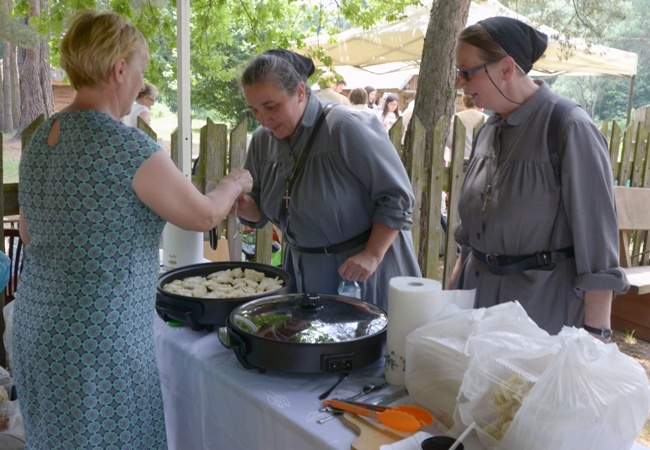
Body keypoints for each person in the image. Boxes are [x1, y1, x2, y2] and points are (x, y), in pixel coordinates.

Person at [12, 10, 252, 450]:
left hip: (37, 327)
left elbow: (29, 232)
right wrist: (234, 182)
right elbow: (201, 216)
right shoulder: (125, 146)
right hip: (97, 340)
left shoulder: (43, 139)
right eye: (140, 73)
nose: (141, 86)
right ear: (119, 69)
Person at [447, 17, 628, 336]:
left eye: (466, 71)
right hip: (475, 315)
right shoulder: (487, 131)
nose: (460, 83)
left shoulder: (569, 128)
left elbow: (598, 250)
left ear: (505, 68)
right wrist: (449, 305)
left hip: (538, 321)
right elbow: (469, 238)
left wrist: (593, 338)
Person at [235, 49, 421, 311]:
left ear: (300, 92)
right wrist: (243, 205)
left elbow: (397, 197)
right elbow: (259, 208)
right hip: (301, 276)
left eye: (271, 107)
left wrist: (372, 254)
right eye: (254, 110)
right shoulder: (263, 140)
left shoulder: (346, 127)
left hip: (362, 275)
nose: (264, 120)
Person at [446, 93, 488, 160]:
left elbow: (448, 141)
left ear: (464, 101)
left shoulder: (454, 119)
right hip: (480, 163)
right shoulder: (487, 120)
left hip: (457, 161)